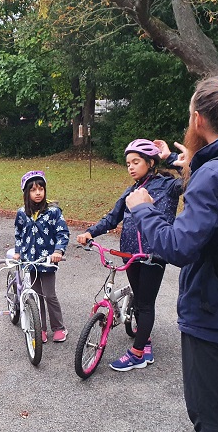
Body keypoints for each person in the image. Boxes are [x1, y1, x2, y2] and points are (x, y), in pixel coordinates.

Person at [126, 75, 218, 431]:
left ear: (198, 120)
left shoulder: (213, 175)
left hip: (211, 315)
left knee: (211, 416)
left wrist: (144, 209)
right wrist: (175, 159)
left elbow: (180, 247)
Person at [76, 139, 182, 371]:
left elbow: (193, 177)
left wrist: (170, 157)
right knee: (140, 297)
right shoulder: (131, 191)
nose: (131, 167)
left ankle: (138, 354)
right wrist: (89, 232)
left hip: (154, 256)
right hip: (130, 255)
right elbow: (113, 218)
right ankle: (144, 338)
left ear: (150, 162)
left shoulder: (168, 185)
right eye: (128, 163)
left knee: (145, 304)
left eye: (136, 162)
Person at [14, 170, 70, 343]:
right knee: (37, 295)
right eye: (33, 190)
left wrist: (58, 251)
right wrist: (18, 251)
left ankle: (59, 327)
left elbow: (62, 233)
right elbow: (18, 233)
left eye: (41, 189)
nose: (38, 193)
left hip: (47, 261)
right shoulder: (22, 213)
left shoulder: (53, 212)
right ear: (26, 193)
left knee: (49, 295)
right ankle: (41, 329)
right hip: (30, 261)